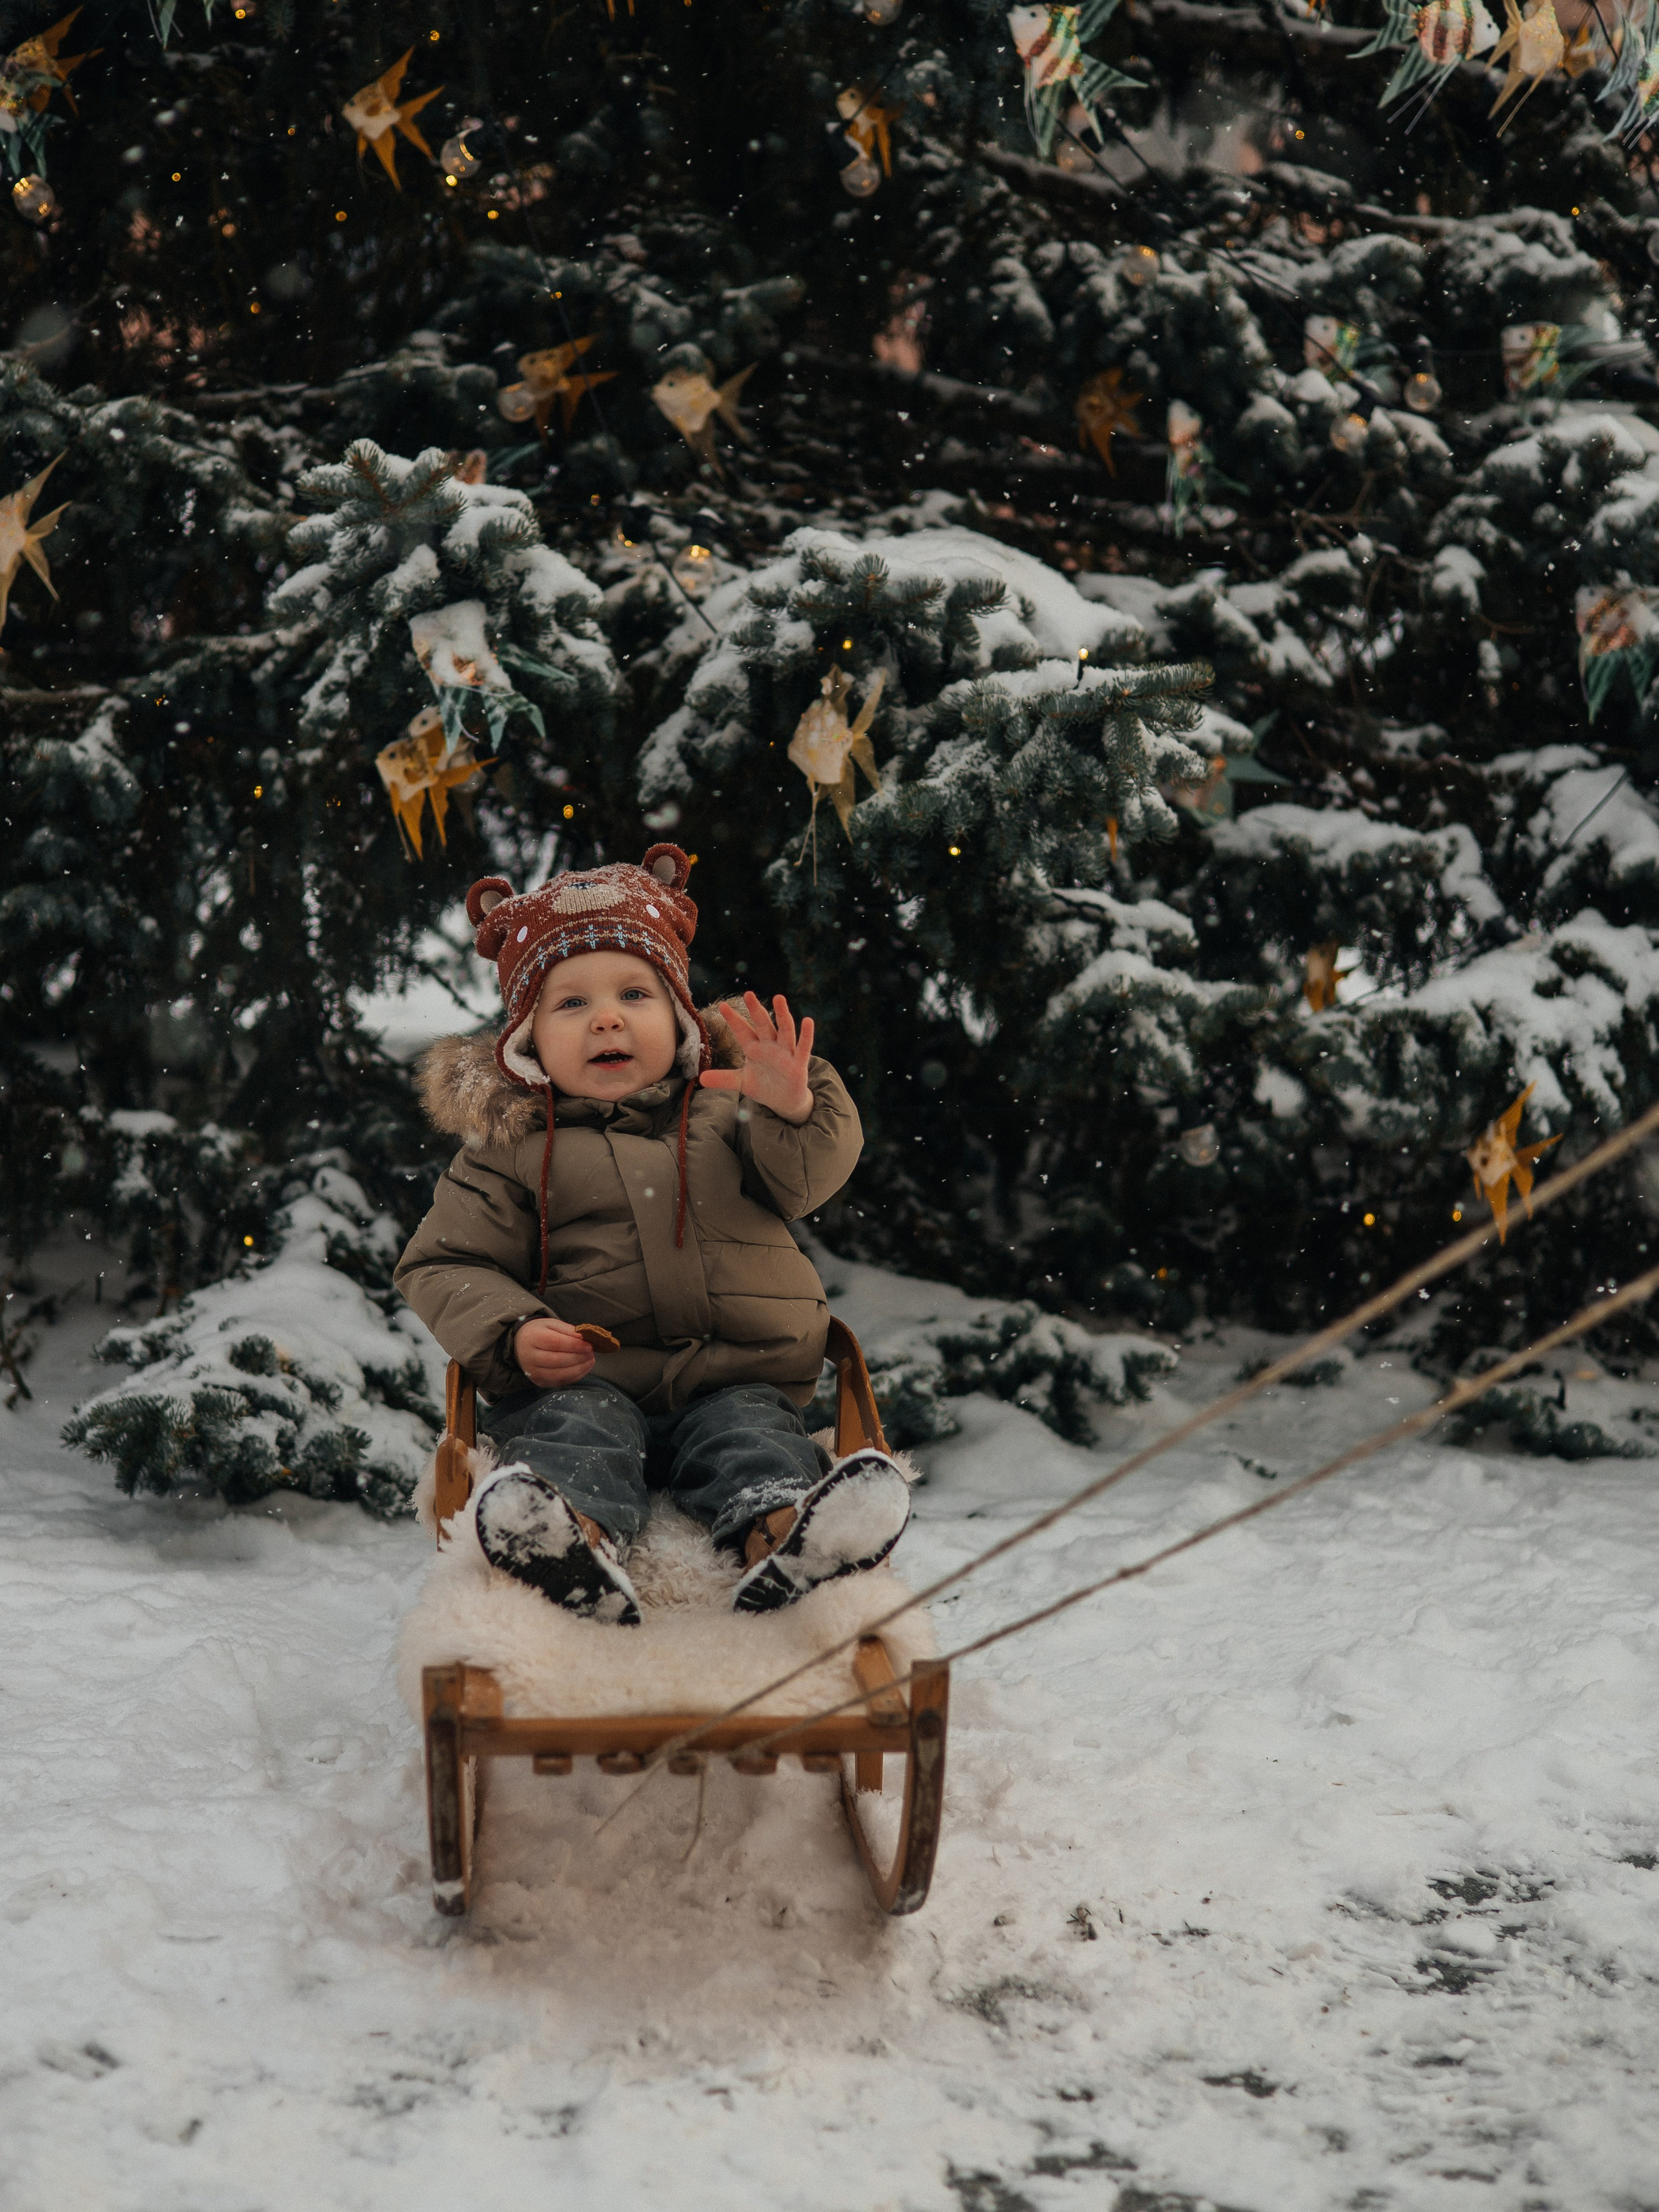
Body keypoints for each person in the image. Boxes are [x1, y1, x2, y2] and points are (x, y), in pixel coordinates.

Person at [393, 842, 911, 1625]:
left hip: (737, 1377)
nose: (606, 1016)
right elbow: (441, 1263)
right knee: (575, 1434)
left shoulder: (727, 1110)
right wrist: (517, 1329)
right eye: (570, 1004)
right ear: (527, 1042)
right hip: (592, 1379)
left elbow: (805, 1181)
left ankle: (784, 1534)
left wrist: (793, 1110)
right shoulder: (511, 1148)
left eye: (635, 993)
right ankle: (566, 1540)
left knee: (754, 1441)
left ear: (677, 1018)